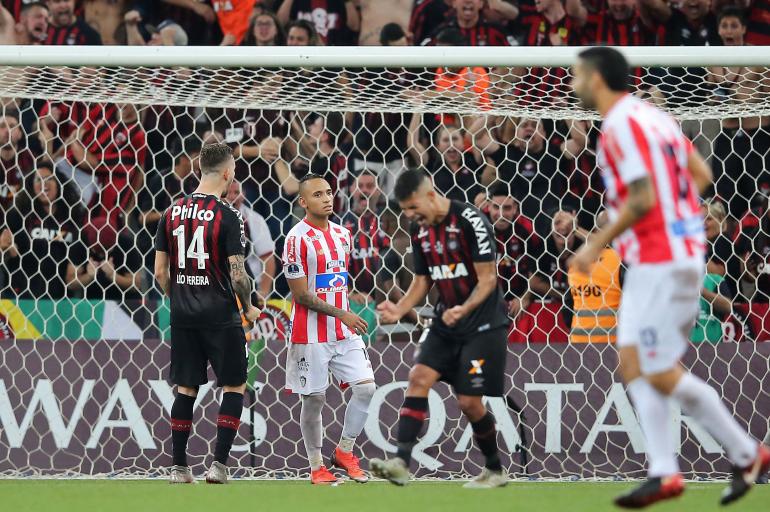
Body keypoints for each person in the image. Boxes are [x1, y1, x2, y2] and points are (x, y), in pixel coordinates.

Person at [569, 46, 769, 507]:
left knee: (656, 370)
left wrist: (595, 243)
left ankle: (745, 452)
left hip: (662, 256)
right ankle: (665, 471)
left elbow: (639, 199)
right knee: (635, 363)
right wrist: (676, 216)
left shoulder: (619, 124)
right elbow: (701, 174)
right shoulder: (655, 117)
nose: (574, 84)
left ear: (596, 78)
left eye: (578, 76)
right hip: (668, 253)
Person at [372, 168, 509, 488]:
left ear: (430, 195)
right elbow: (422, 280)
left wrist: (465, 307)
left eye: (412, 207)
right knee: (418, 377)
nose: (409, 215)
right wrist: (400, 308)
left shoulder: (470, 220)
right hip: (445, 321)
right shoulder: (420, 229)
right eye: (404, 209)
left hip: (483, 324)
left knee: (469, 403)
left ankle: (494, 469)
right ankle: (400, 463)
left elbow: (488, 278)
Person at [154, 143, 260, 484]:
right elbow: (238, 274)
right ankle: (218, 466)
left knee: (185, 390)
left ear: (200, 169)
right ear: (228, 174)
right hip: (220, 315)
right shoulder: (229, 216)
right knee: (234, 385)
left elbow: (159, 272)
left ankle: (179, 468)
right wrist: (249, 307)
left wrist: (180, 298)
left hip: (184, 316)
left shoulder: (171, 212)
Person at [281, 173, 376, 485]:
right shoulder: (295, 239)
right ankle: (316, 466)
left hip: (342, 330)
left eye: (329, 192)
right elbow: (301, 295)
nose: (326, 198)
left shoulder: (342, 234)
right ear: (303, 201)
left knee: (366, 388)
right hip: (309, 335)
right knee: (315, 400)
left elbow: (337, 282)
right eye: (318, 194)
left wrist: (345, 312)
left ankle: (345, 451)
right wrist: (343, 314)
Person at [567, 211, 622, 344]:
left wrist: (576, 229)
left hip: (577, 341)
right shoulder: (621, 260)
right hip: (612, 344)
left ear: (596, 230)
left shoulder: (577, 260)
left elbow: (567, 307)